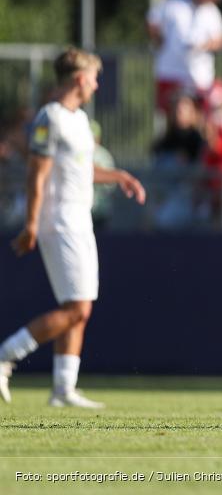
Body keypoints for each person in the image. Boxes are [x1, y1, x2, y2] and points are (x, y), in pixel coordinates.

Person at [1, 48, 146, 407]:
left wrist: (119, 176)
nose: (96, 85)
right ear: (80, 78)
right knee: (77, 309)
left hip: (80, 219)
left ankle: (64, 388)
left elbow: (82, 169)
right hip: (60, 220)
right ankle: (6, 354)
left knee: (79, 306)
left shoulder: (79, 120)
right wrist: (31, 223)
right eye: (94, 78)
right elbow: (38, 174)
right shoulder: (50, 117)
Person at [146, 0, 222, 118]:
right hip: (170, 71)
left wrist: (205, 45)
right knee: (172, 113)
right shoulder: (174, 3)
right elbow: (152, 20)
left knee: (201, 113)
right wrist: (159, 39)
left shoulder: (212, 11)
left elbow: (219, 40)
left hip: (199, 75)